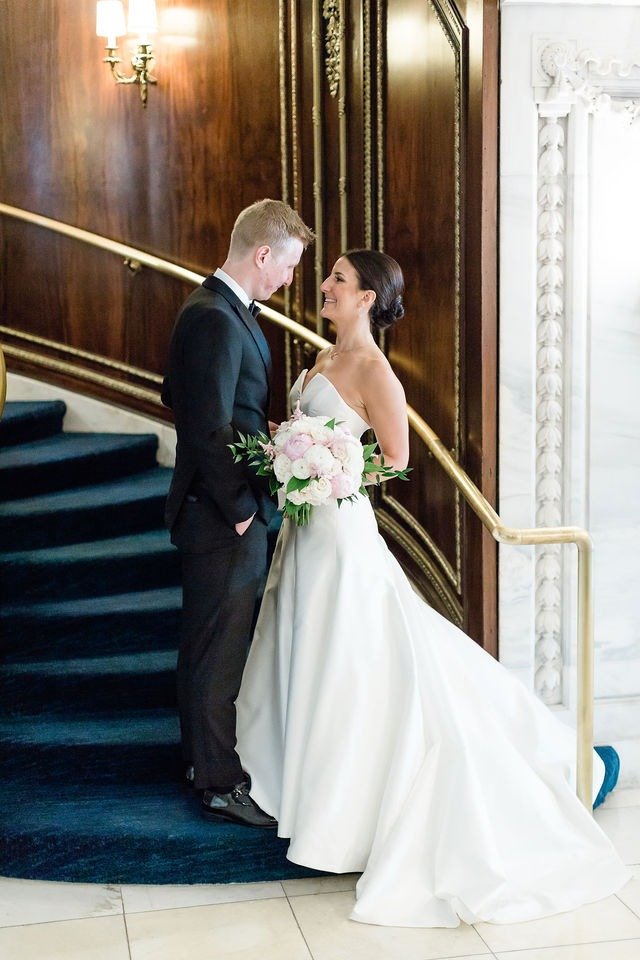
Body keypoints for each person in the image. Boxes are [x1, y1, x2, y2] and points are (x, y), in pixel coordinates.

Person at [235, 249, 630, 925]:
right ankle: (293, 785)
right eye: (328, 276)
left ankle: (354, 806)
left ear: (367, 299)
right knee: (305, 644)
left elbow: (394, 459)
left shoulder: (373, 369)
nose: (325, 287)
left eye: (338, 280)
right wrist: (285, 448)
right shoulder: (322, 359)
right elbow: (313, 431)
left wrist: (328, 471)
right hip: (306, 534)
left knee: (354, 657)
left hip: (340, 531)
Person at [161, 199, 314, 828]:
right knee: (218, 653)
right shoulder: (215, 319)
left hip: (221, 510)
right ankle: (219, 783)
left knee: (211, 648)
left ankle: (202, 764)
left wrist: (265, 432)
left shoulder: (220, 311)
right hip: (221, 516)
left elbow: (214, 405)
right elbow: (206, 424)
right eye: (288, 267)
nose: (288, 280)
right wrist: (242, 509)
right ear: (262, 254)